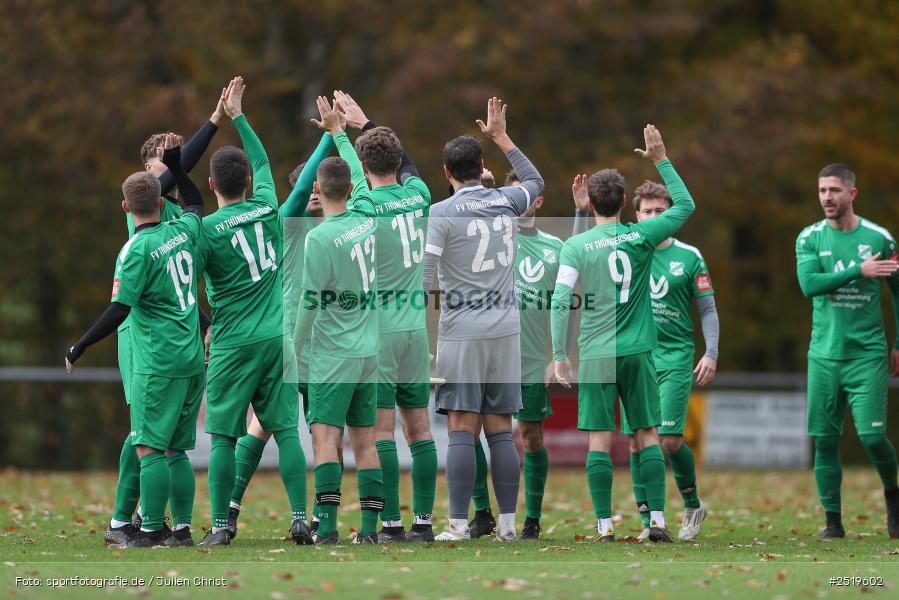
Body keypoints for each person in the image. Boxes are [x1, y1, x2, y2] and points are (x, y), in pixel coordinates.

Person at [551, 125, 694, 543]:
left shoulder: (576, 246)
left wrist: (560, 352)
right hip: (638, 351)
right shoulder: (643, 234)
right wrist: (661, 159)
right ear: (622, 202)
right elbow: (685, 204)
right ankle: (657, 521)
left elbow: (561, 300)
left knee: (600, 439)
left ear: (592, 201)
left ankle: (604, 526)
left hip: (596, 353)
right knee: (647, 434)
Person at [67, 135, 206, 547]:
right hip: (191, 354)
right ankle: (180, 529)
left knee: (148, 447)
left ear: (126, 208)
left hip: (157, 357)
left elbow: (119, 309)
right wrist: (179, 166)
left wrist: (81, 345)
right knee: (177, 450)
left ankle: (145, 531)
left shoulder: (136, 249)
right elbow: (197, 203)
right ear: (163, 202)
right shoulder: (183, 230)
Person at [424, 98, 545, 541]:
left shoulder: (440, 213)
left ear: (446, 172)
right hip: (506, 330)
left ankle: (457, 524)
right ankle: (509, 526)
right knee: (500, 429)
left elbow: (425, 277)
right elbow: (535, 180)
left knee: (460, 427)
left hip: (464, 332)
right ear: (481, 165)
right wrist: (502, 137)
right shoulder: (508, 201)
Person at [106, 93, 222, 545]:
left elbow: (180, 292)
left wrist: (207, 321)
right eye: (162, 163)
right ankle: (123, 516)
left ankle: (154, 522)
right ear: (146, 170)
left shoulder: (179, 212)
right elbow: (181, 166)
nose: (172, 168)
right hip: (141, 337)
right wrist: (214, 120)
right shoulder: (145, 205)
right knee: (144, 434)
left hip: (176, 337)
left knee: (162, 441)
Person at [198, 77, 309, 546]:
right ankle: (303, 519)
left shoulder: (203, 229)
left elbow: (187, 280)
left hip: (233, 341)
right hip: (276, 337)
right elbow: (263, 160)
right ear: (247, 182)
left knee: (224, 437)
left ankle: (222, 527)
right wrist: (240, 116)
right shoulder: (266, 206)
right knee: (286, 432)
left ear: (211, 185)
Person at [333, 90, 438, 543]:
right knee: (420, 429)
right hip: (416, 329)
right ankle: (425, 524)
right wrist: (364, 125)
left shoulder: (365, 206)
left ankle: (391, 522)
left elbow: (357, 176)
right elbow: (405, 166)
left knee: (381, 430)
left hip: (379, 330)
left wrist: (340, 134)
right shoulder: (418, 195)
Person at [226, 116, 335, 540]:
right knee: (271, 426)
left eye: (315, 191)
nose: (310, 197)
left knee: (320, 434)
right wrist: (331, 136)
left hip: (327, 343)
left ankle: (321, 523)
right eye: (304, 192)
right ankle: (234, 508)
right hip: (290, 339)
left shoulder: (337, 230)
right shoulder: (287, 228)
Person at [295, 96, 384, 545]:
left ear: (318, 189)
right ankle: (369, 531)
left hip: (332, 351)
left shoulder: (321, 239)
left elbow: (310, 304)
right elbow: (364, 182)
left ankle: (326, 529)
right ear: (351, 189)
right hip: (369, 349)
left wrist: (293, 350)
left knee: (325, 438)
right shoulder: (366, 217)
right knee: (365, 442)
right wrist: (340, 133)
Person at [795, 163, 899, 540]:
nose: (827, 197)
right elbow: (809, 285)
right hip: (823, 354)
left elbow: (898, 290)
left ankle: (893, 493)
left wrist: (898, 343)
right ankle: (833, 523)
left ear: (852, 194)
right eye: (822, 190)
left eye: (835, 190)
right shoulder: (809, 238)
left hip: (867, 354)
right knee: (824, 440)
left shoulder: (880, 239)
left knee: (872, 437)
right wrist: (859, 270)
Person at [615, 181, 718, 541]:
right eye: (647, 211)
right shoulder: (627, 248)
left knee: (668, 441)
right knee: (634, 441)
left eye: (661, 211)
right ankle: (648, 522)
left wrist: (712, 351)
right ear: (636, 215)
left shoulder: (690, 256)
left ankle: (692, 504)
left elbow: (706, 307)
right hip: (636, 355)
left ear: (671, 214)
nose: (655, 217)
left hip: (676, 357)